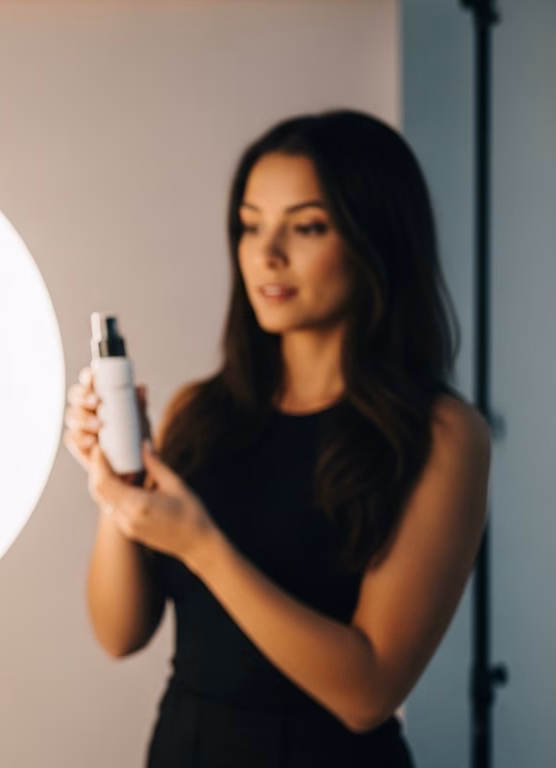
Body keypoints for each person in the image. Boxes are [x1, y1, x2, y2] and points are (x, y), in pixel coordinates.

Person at [62, 110, 491, 767]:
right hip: (185, 747)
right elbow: (119, 634)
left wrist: (202, 546)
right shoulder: (201, 412)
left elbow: (368, 693)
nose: (268, 254)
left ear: (376, 237)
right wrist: (117, 491)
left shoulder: (441, 434)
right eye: (251, 224)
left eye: (307, 226)